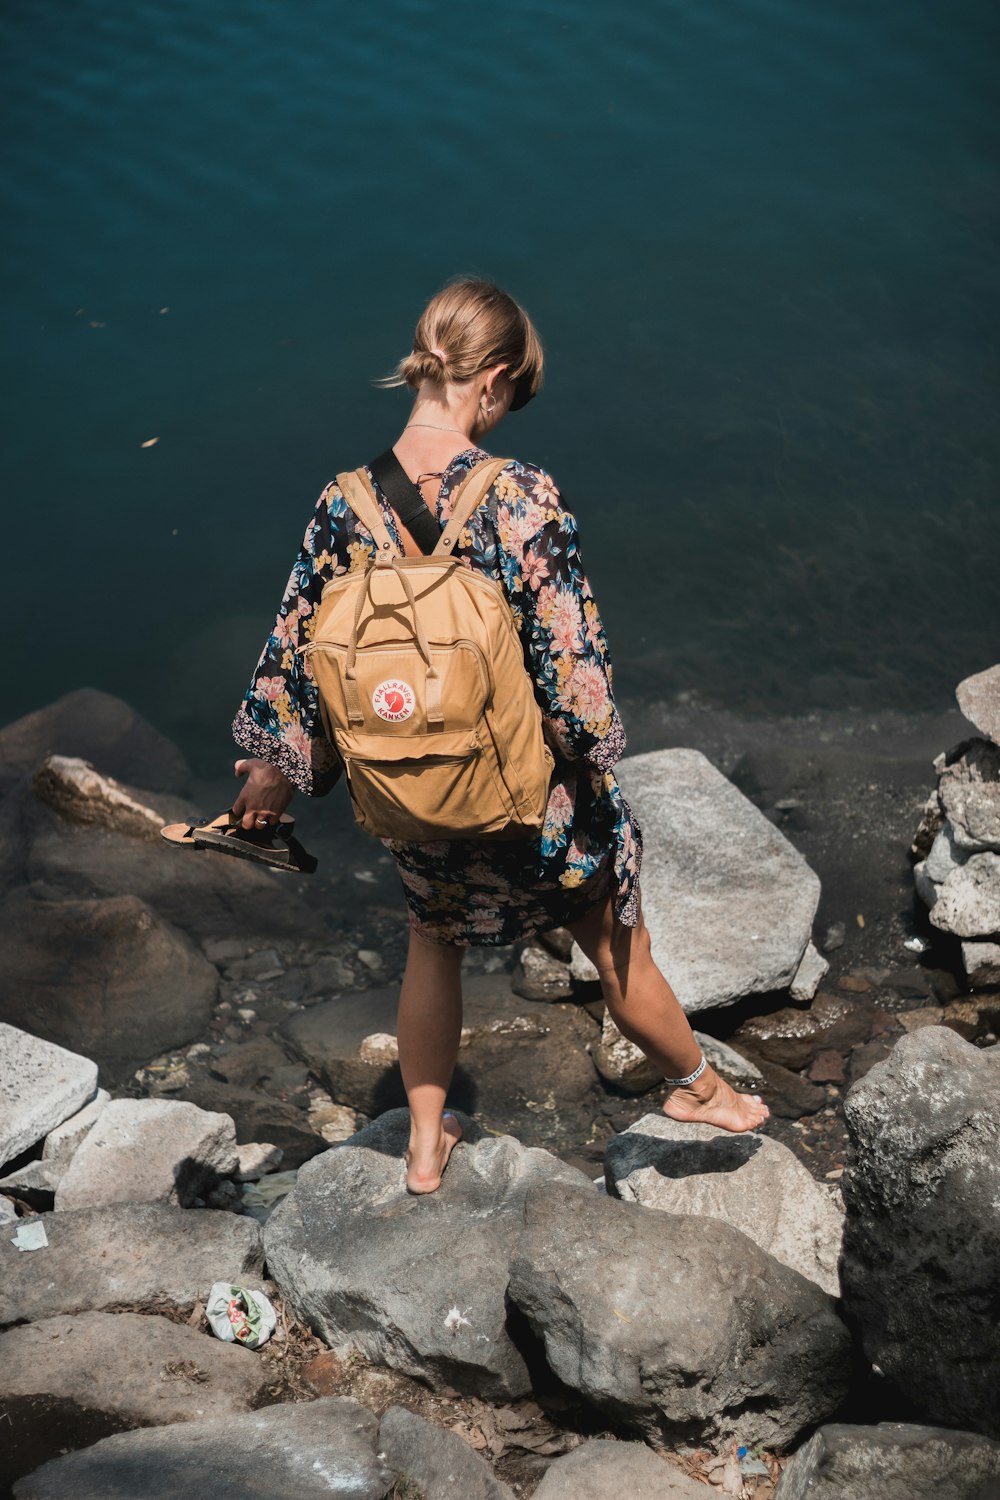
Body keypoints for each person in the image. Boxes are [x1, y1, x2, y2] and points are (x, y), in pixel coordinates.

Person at [232, 277, 769, 1193]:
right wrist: (592, 765)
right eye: (512, 398)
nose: (506, 416)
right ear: (495, 379)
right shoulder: (521, 497)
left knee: (432, 939)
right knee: (611, 939)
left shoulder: (343, 502)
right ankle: (700, 1087)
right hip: (525, 795)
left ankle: (423, 1144)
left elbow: (296, 655)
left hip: (411, 791)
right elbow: (573, 669)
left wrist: (272, 776)